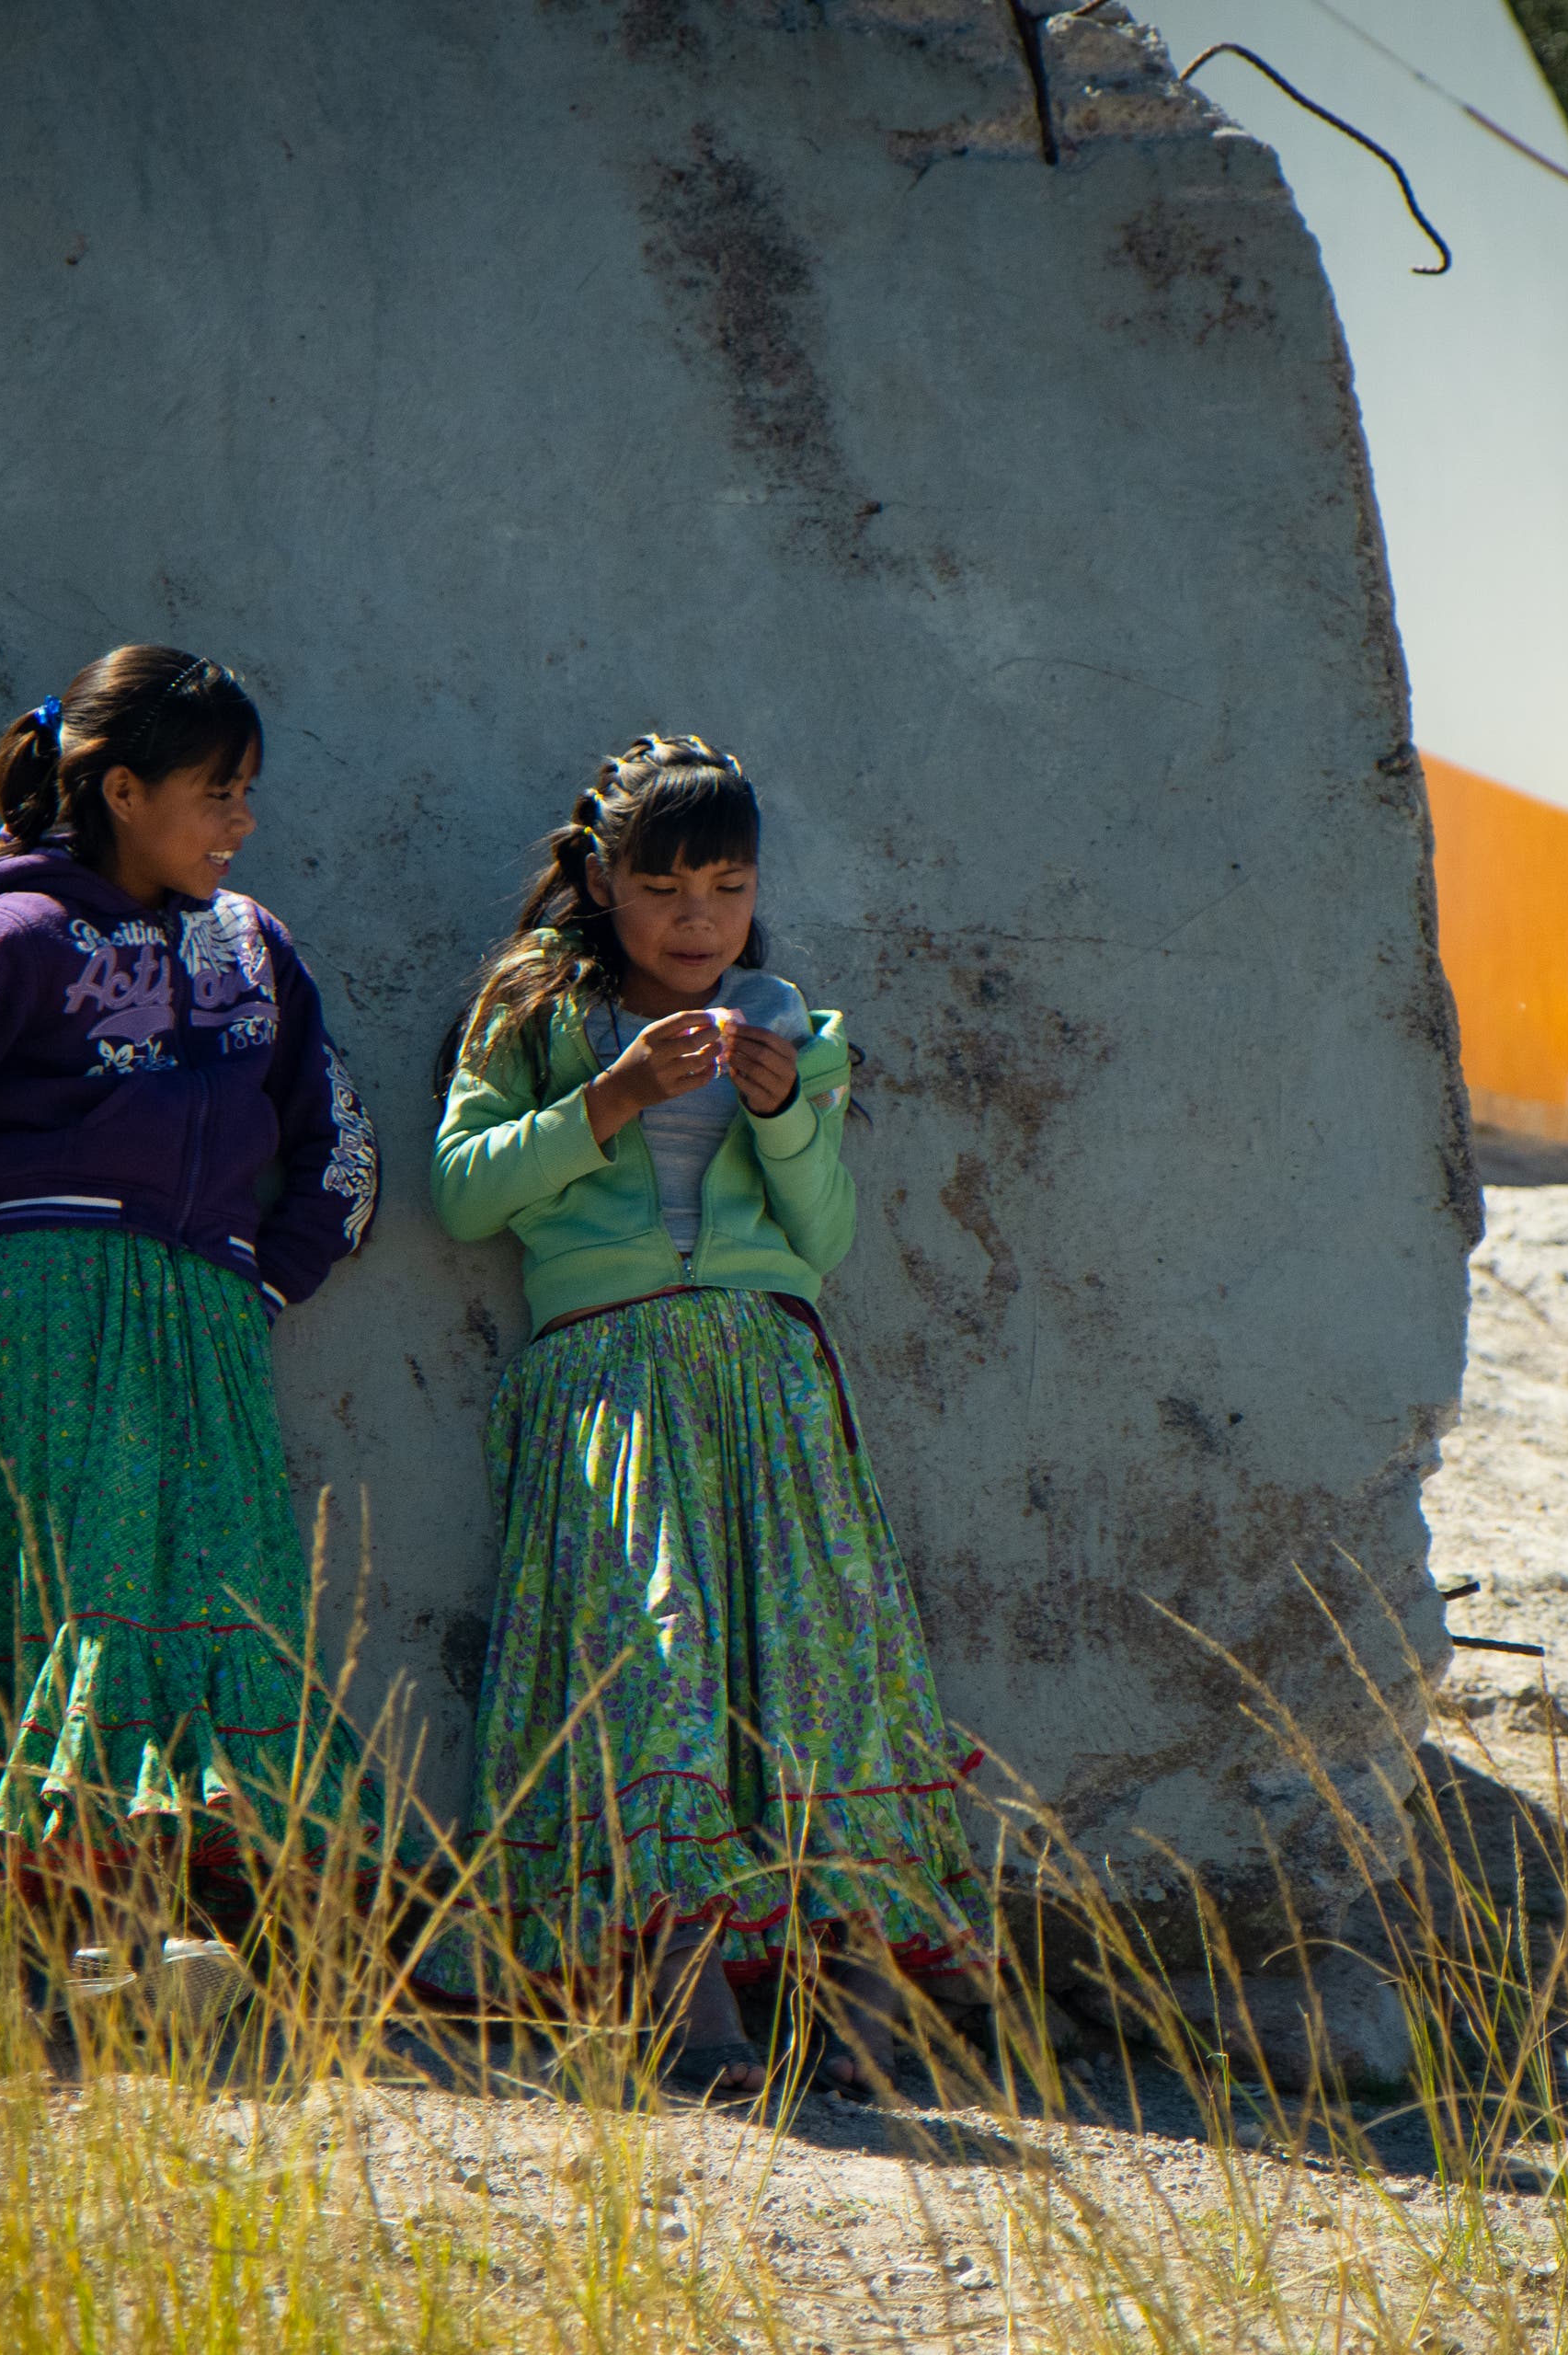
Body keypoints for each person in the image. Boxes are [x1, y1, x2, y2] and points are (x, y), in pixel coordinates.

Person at [0, 645, 389, 1913]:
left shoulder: (252, 950)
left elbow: (340, 1146)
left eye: (250, 792)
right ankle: (32, 1940)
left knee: (214, 1602)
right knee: (62, 1602)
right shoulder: (13, 932)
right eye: (218, 793)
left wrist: (264, 1285)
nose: (242, 824)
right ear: (121, 790)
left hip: (210, 1316)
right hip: (46, 1310)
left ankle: (172, 1924)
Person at [432, 733, 993, 2098]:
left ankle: (857, 1995)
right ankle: (695, 2008)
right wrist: (611, 1097)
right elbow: (463, 1193)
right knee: (656, 1682)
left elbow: (827, 1233)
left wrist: (789, 1112)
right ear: (603, 883)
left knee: (819, 1686)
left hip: (770, 1391)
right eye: (667, 888)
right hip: (613, 1391)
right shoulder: (536, 1018)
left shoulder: (786, 1020)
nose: (699, 922)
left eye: (728, 889)